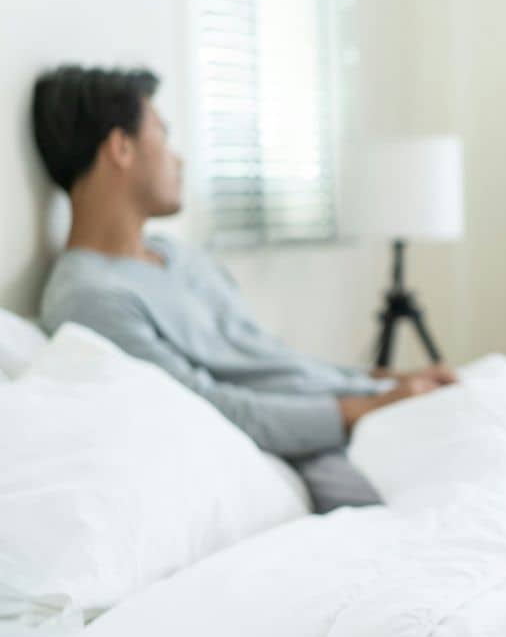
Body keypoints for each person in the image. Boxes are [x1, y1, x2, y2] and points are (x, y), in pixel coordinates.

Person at [32, 65, 453, 514]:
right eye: (162, 134)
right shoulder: (90, 297)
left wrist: (387, 381)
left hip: (350, 406)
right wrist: (364, 408)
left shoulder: (178, 256)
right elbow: (209, 407)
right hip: (314, 443)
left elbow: (274, 360)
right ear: (121, 147)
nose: (178, 158)